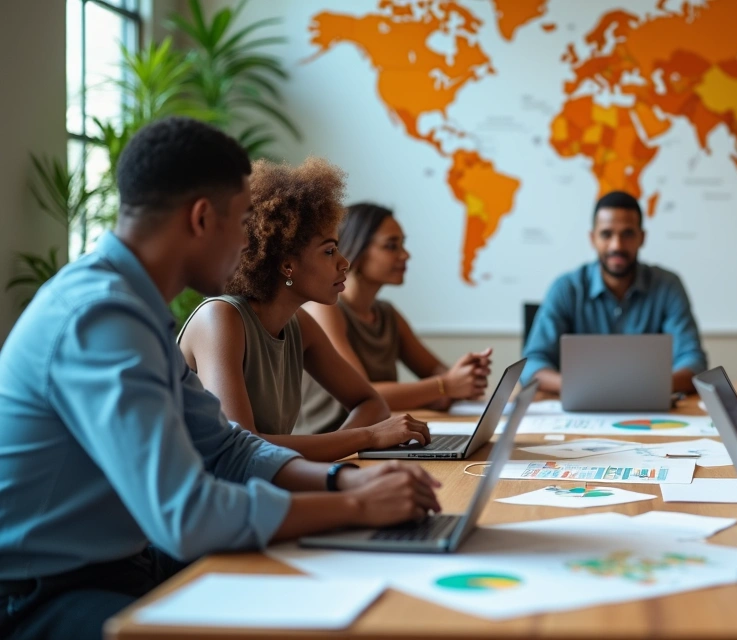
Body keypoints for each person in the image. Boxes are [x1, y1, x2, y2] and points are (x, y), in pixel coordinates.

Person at [0, 117, 441, 640]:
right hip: (43, 594)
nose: (248, 242)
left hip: (123, 566)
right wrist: (356, 505)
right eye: (241, 221)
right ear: (203, 218)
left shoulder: (135, 310)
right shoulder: (100, 318)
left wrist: (345, 478)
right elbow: (186, 516)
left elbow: (230, 449)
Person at [177, 158, 432, 462]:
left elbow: (370, 402)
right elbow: (243, 448)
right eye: (328, 251)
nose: (344, 263)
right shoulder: (219, 319)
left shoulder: (299, 324)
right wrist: (368, 436)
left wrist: (340, 449)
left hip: (259, 489)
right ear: (287, 264)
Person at [297, 202, 493, 434]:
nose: (405, 255)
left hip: (374, 439)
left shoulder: (386, 313)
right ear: (354, 251)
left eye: (403, 244)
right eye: (391, 246)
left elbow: (434, 370)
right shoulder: (325, 311)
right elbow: (366, 395)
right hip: (330, 447)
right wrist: (446, 386)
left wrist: (466, 375)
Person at [522, 190, 708, 394]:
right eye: (606, 234)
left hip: (649, 407)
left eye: (627, 234)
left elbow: (694, 361)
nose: (617, 245)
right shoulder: (566, 289)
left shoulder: (668, 286)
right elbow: (532, 364)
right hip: (580, 405)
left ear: (642, 237)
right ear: (592, 238)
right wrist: (579, 388)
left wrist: (643, 389)